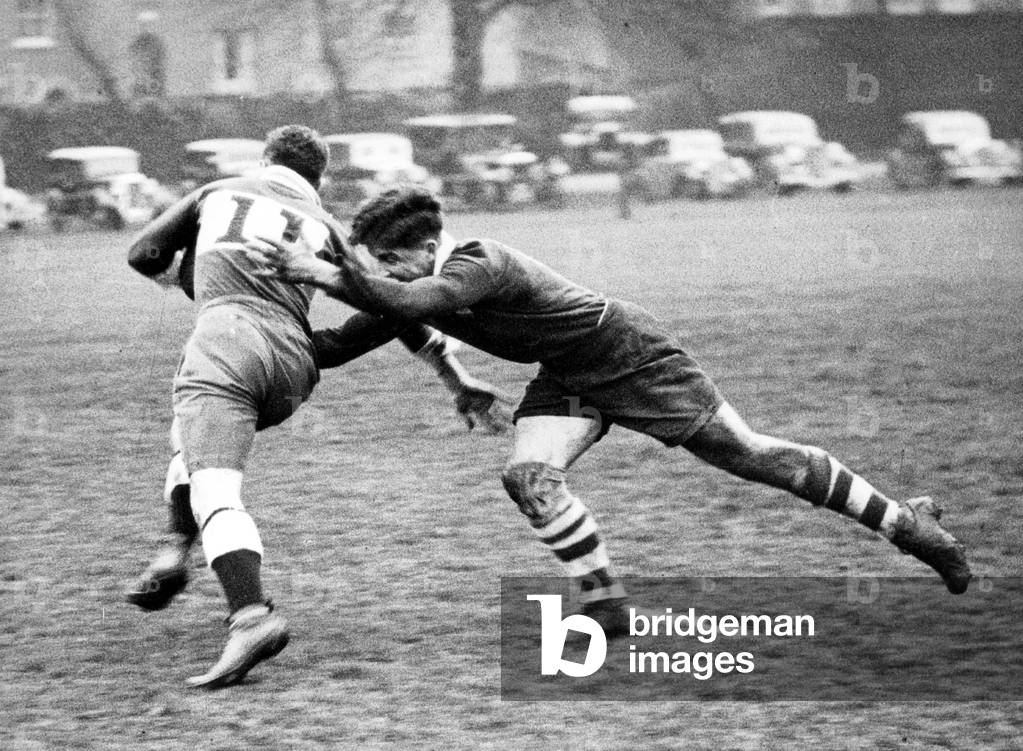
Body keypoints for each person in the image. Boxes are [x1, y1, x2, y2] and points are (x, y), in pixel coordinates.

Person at [244, 185, 973, 635]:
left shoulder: (476, 261)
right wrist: (251, 323)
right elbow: (336, 344)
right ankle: (605, 602)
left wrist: (332, 273)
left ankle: (909, 524)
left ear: (426, 249)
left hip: (629, 352)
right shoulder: (395, 287)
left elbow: (413, 300)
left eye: (385, 263)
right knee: (528, 476)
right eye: (371, 267)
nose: (379, 277)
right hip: (569, 373)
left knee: (754, 457)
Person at [126, 127, 507, 688]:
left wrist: (189, 277)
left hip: (226, 340)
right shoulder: (326, 225)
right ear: (318, 179)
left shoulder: (218, 191)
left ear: (264, 161)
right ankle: (176, 547)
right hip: (293, 366)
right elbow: (387, 304)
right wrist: (456, 378)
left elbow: (142, 254)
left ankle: (250, 616)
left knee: (215, 485)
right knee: (195, 443)